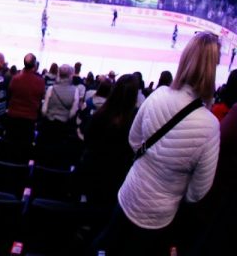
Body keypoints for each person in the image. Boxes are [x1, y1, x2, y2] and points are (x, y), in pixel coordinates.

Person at [94, 31, 221, 255]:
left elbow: (134, 140)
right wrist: (171, 185)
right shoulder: (210, 126)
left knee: (110, 245)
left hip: (129, 194)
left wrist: (152, 161)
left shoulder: (158, 95)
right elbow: (197, 192)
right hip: (159, 216)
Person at [80, 74, 139, 210]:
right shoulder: (135, 120)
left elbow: (87, 139)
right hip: (118, 177)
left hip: (93, 171)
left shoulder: (100, 114)